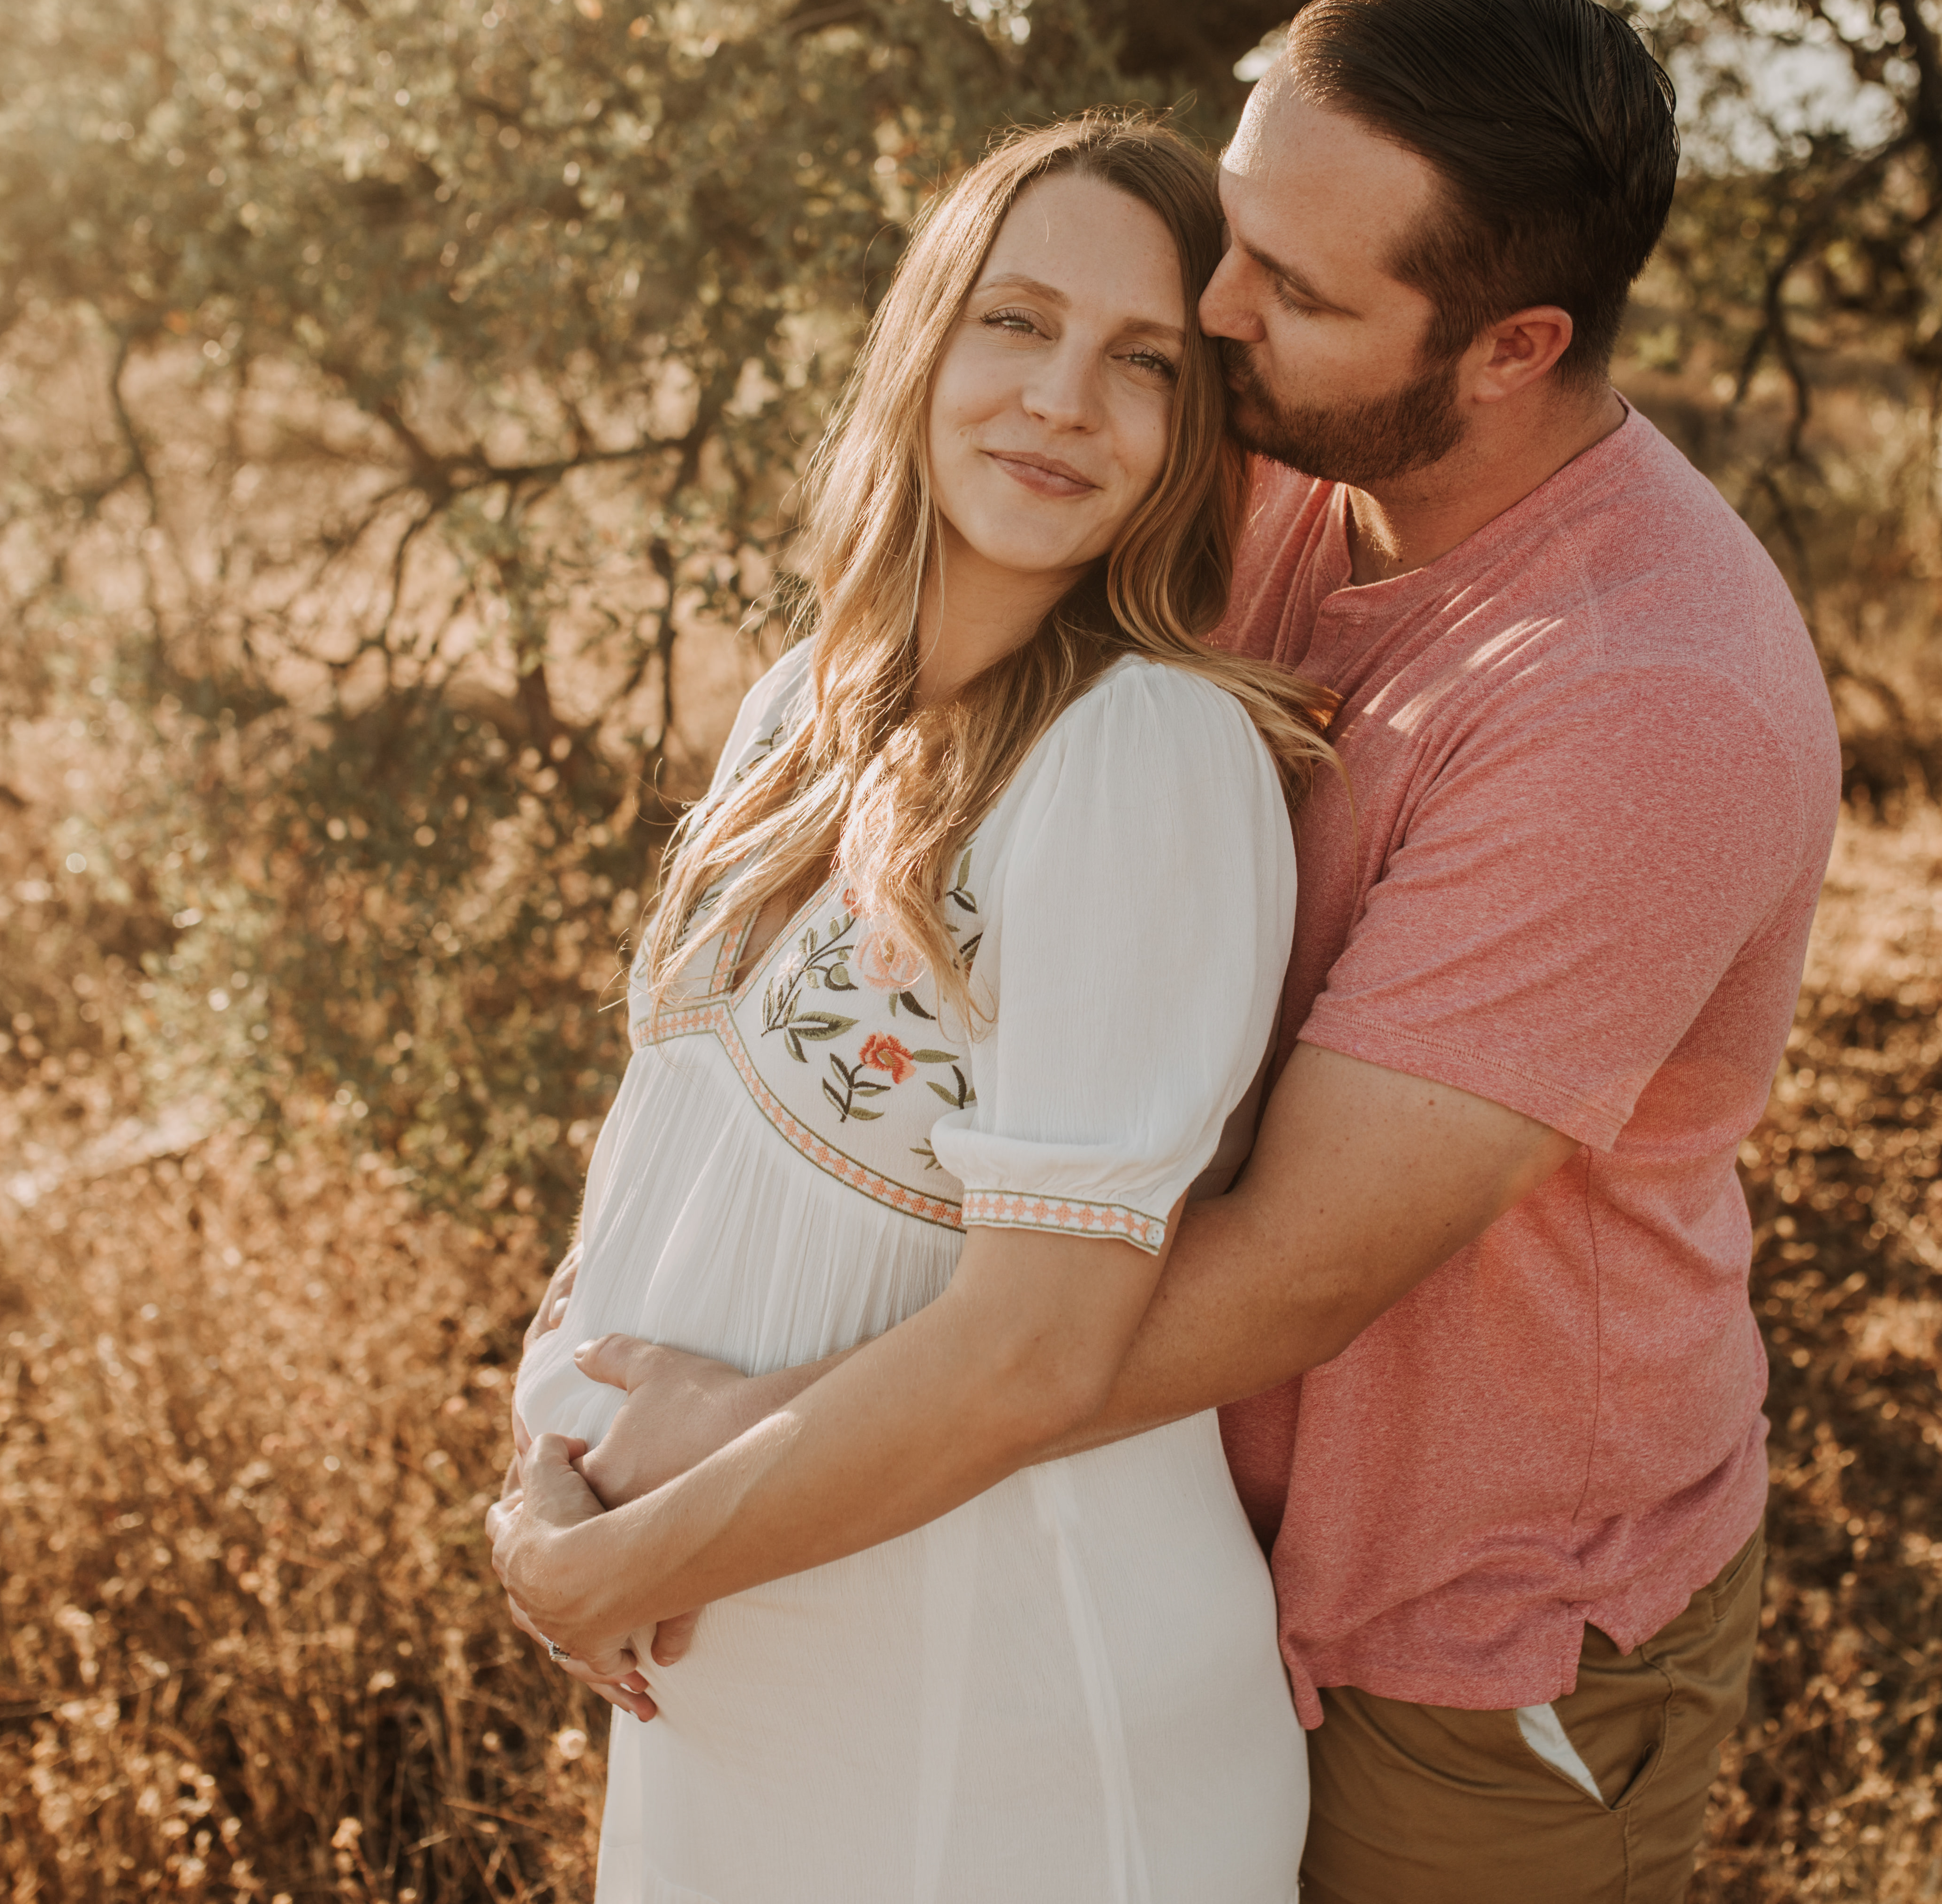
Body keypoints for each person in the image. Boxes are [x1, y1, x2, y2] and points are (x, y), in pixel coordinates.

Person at [553, 0, 1844, 1902]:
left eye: (1296, 296)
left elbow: (1285, 1274)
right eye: (1237, 238)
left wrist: (709, 1473)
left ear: (1511, 348)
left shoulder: (1640, 699)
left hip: (1449, 1630)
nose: (1213, 316)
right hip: (1134, 1515)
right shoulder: (1281, 447)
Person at [486, 113, 1336, 1904]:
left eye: (1145, 365)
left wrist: (610, 1567)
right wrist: (553, 1436)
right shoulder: (805, 698)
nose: (1062, 401)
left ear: (1197, 433)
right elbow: (680, 1140)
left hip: (997, 1717)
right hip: (754, 1683)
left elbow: (1041, 1349)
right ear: (924, 338)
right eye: (1016, 323)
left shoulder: (1146, 753)